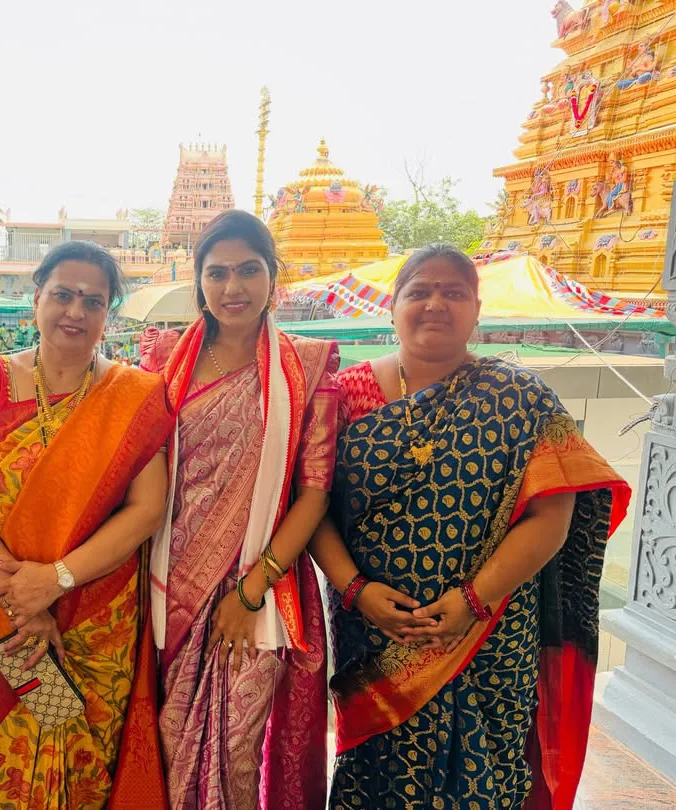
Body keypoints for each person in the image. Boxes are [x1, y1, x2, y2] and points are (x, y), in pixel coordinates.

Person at [314, 244, 630, 809]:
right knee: (377, 773)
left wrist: (472, 600)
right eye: (419, 291)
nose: (436, 304)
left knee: (485, 773)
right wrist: (356, 592)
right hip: (375, 630)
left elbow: (552, 516)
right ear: (393, 308)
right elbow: (311, 510)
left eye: (453, 292)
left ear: (476, 310)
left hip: (491, 629)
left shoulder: (520, 399)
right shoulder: (341, 397)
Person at [0, 240, 173, 809]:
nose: (75, 311)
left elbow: (148, 509)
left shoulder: (136, 396)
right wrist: (23, 591)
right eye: (63, 295)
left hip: (96, 612)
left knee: (89, 759)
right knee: (8, 765)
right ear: (37, 298)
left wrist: (58, 579)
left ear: (108, 312)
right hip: (9, 611)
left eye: (92, 301)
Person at [150, 210, 339, 810]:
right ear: (198, 281)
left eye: (249, 271)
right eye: (218, 273)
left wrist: (253, 589)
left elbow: (315, 492)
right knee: (165, 747)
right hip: (164, 589)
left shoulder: (308, 367)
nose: (233, 288)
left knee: (235, 754)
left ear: (272, 277)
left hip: (260, 587)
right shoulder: (162, 363)